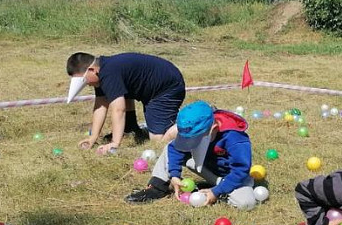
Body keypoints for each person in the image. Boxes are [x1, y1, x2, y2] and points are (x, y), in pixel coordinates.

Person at [125, 100, 256, 209]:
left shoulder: (235, 138)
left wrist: (216, 191)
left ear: (214, 127)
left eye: (196, 139)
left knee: (245, 203)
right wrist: (174, 175)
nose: (192, 143)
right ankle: (158, 187)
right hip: (204, 166)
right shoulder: (196, 127)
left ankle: (216, 191)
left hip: (231, 176)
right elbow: (174, 149)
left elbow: (241, 170)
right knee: (169, 148)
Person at [65, 52, 186, 154]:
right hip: (152, 88)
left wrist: (115, 143)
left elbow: (119, 109)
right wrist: (93, 137)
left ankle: (194, 124)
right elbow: (100, 106)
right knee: (120, 91)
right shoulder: (101, 73)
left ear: (92, 70)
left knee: (158, 140)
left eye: (85, 81)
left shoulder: (108, 73)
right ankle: (130, 128)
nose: (87, 84)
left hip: (167, 88)